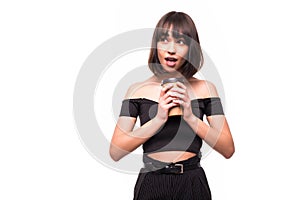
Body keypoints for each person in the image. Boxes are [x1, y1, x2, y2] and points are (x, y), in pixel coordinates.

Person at [109, 11, 235, 200]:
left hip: (192, 182)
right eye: (164, 40)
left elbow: (228, 149)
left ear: (191, 48)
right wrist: (158, 119)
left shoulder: (206, 89)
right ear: (156, 45)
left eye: (181, 42)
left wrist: (191, 117)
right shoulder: (136, 90)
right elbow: (116, 151)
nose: (171, 49)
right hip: (151, 182)